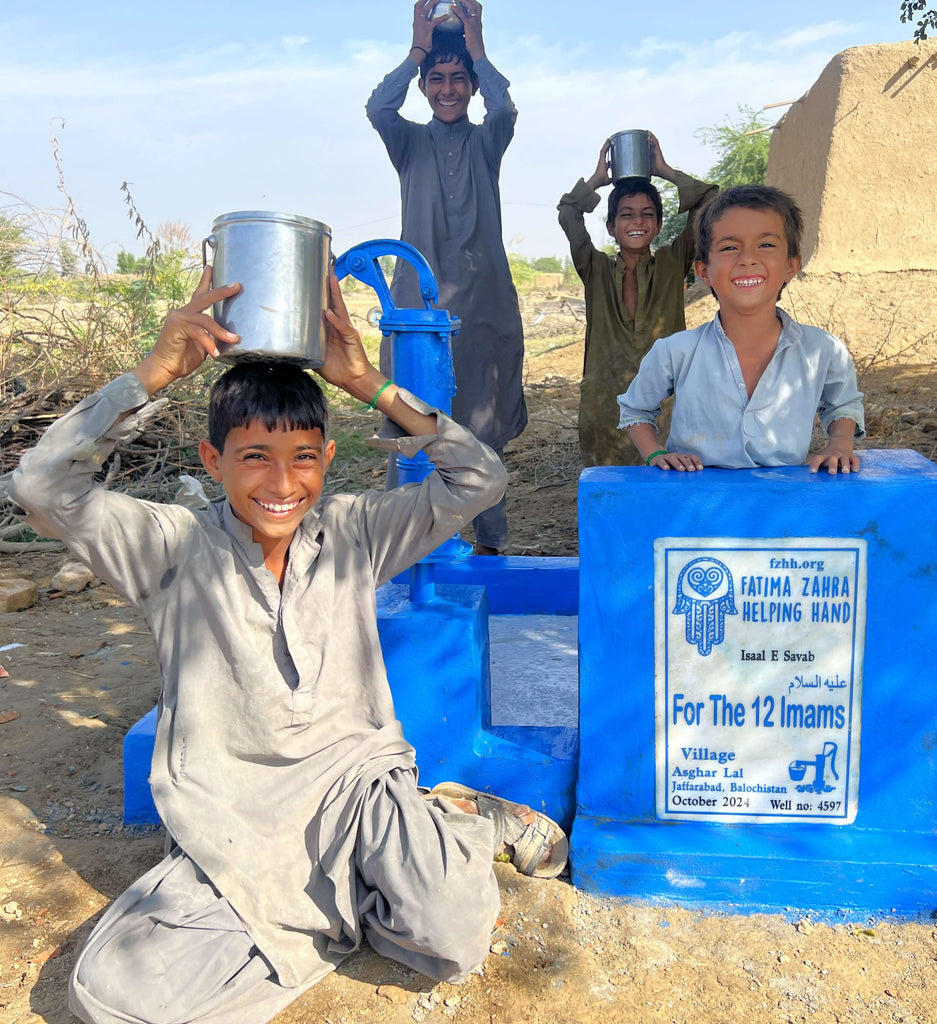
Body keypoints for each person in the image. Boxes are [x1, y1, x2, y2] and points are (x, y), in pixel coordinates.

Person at [10, 268, 568, 1024]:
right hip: (234, 822)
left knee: (450, 937)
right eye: (253, 458)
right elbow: (41, 487)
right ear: (213, 463)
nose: (282, 482)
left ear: (326, 460)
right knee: (111, 997)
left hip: (355, 791)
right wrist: (150, 374)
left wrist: (371, 384)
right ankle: (336, 898)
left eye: (302, 458)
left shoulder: (354, 531)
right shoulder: (168, 546)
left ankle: (458, 823)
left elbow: (480, 480)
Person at [366, 0, 526, 555]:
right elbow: (378, 107)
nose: (449, 88)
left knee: (482, 428)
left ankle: (492, 547)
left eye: (460, 79)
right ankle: (406, 551)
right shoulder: (408, 143)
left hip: (484, 310)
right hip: (417, 316)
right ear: (423, 86)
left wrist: (477, 44)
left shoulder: (487, 143)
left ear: (473, 86)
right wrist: (416, 46)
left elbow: (505, 109)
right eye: (437, 79)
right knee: (414, 427)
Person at [617, 184, 865, 474]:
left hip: (782, 505)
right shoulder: (675, 351)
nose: (748, 259)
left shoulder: (823, 349)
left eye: (766, 245)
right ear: (703, 271)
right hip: (694, 506)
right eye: (729, 247)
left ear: (791, 265)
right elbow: (635, 409)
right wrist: (655, 454)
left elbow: (843, 403)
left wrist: (840, 443)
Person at [557, 135, 718, 466]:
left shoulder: (673, 264)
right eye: (627, 215)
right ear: (612, 226)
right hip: (604, 408)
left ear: (658, 225)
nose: (637, 221)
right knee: (611, 497)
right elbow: (568, 212)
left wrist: (663, 170)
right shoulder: (595, 268)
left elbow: (709, 199)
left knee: (666, 490)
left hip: (665, 409)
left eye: (647, 214)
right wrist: (599, 179)